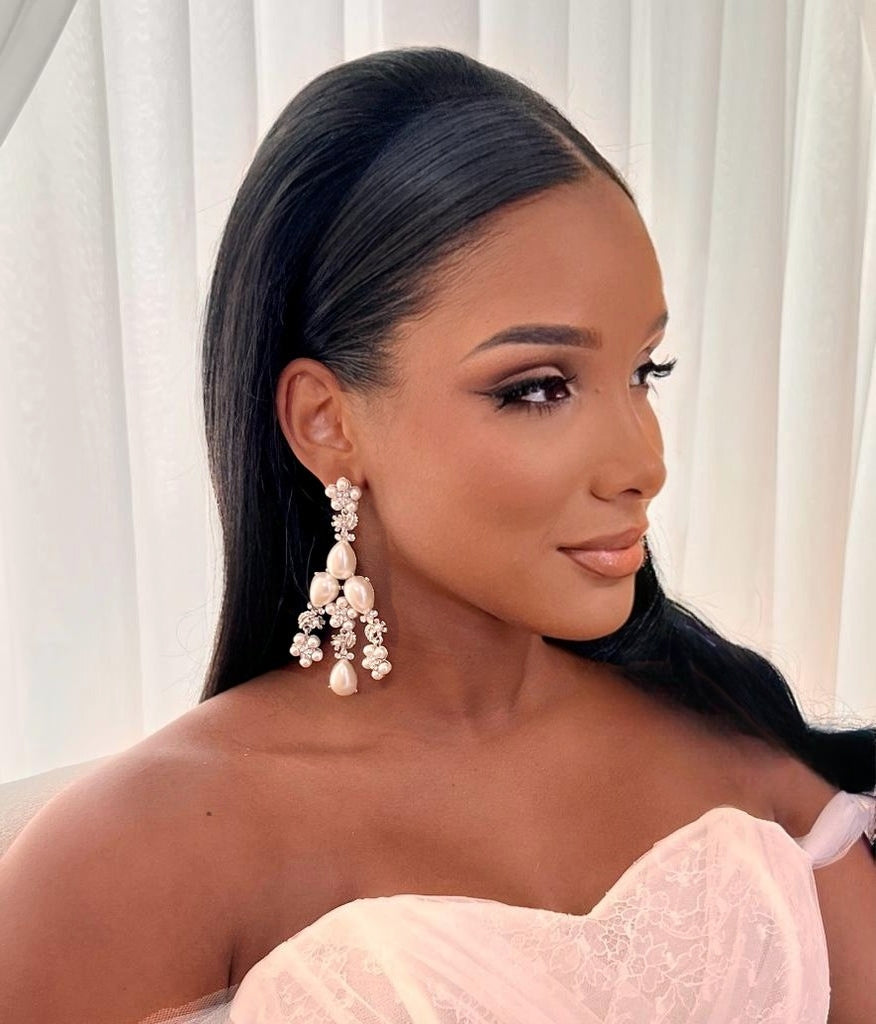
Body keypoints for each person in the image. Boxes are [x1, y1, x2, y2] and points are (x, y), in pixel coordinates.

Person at [1, 45, 874, 1024]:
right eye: (538, 387)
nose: (644, 460)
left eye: (643, 372)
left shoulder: (736, 749)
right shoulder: (130, 859)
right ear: (327, 423)